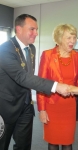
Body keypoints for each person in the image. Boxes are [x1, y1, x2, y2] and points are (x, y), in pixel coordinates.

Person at [0, 14, 70, 150]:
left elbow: (29, 76)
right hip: (5, 107)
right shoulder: (4, 50)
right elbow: (22, 77)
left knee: (24, 146)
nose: (36, 33)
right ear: (18, 29)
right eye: (32, 29)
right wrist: (55, 85)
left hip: (26, 106)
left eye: (36, 30)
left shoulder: (31, 48)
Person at [37, 24, 78, 150]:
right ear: (59, 38)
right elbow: (41, 83)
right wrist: (42, 109)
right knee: (53, 141)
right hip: (52, 105)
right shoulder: (47, 55)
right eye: (68, 37)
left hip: (70, 106)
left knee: (68, 142)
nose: (72, 41)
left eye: (74, 37)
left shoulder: (77, 56)